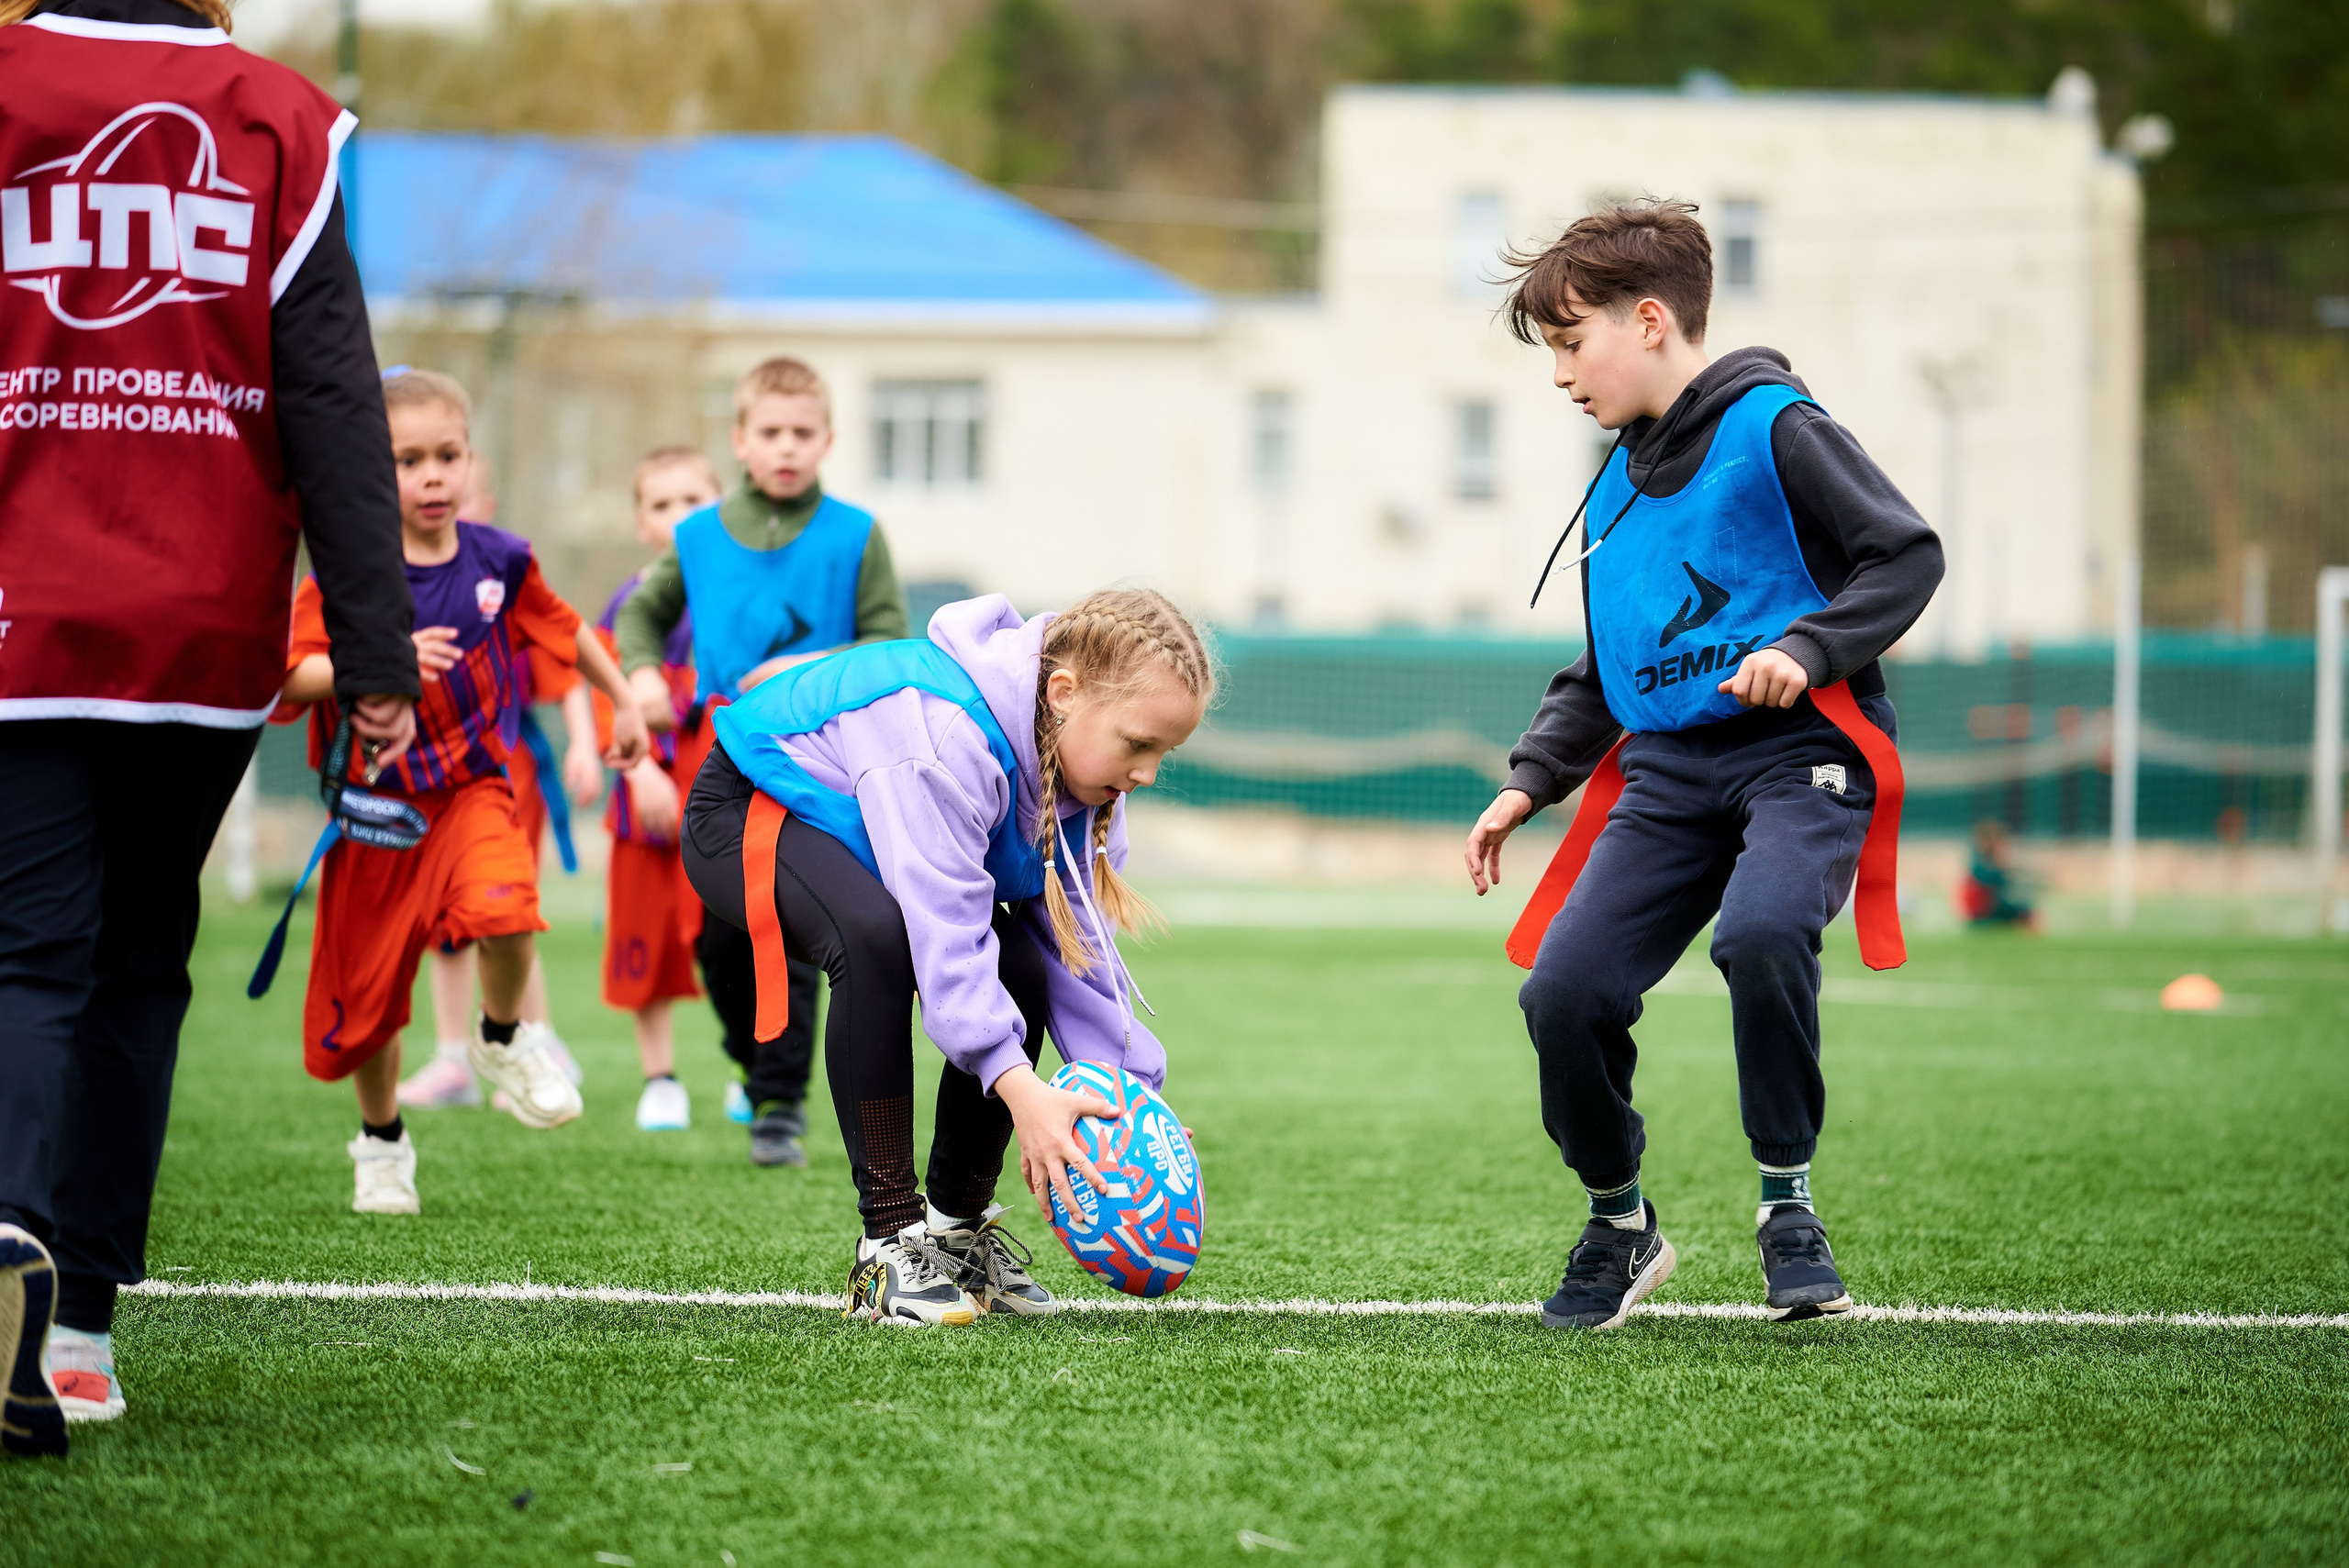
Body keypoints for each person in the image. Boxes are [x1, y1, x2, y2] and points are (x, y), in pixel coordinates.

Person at [0, 0, 417, 1455]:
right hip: (200, 630)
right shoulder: (283, 120)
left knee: (22, 955)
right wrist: (372, 656)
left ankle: (9, 1241)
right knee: (132, 964)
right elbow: (335, 406)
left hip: (20, 620)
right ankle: (80, 1328)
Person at [1462, 201, 1943, 1331]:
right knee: (1562, 994)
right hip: (1670, 776)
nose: (1562, 375)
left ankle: (1788, 1207)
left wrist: (1805, 648)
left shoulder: (1776, 426)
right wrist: (1525, 781)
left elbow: (1905, 553)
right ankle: (1619, 1221)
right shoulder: (1615, 482)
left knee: (1762, 932)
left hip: (1802, 755)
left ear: (1647, 320)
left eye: (1572, 343)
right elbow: (1607, 664)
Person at [680, 589, 1210, 1325]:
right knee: (877, 940)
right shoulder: (946, 739)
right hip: (750, 806)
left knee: (1018, 968)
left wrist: (1129, 1097)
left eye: (1164, 751)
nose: (1148, 771)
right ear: (1063, 694)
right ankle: (886, 1248)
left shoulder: (1088, 786)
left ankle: (956, 1234)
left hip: (854, 835)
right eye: (1137, 744)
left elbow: (1075, 952)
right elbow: (946, 932)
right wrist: (1022, 1091)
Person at [275, 369, 646, 1216]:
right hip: (378, 815)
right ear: (374, 469)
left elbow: (567, 630)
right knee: (369, 1005)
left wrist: (622, 698)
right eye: (409, 460)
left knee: (509, 912)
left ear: (469, 458)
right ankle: (380, 1140)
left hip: (473, 792)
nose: (433, 475)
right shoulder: (345, 570)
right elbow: (288, 677)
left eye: (448, 454)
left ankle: (502, 1036)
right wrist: (381, 664)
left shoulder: (500, 560)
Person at [616, 356, 909, 1166]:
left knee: (798, 922)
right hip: (719, 768)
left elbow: (892, 646)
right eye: (770, 432)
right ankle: (756, 1065)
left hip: (819, 764)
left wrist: (811, 673)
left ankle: (779, 1104)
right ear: (741, 440)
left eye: (803, 433)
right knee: (718, 940)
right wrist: (639, 672)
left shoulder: (857, 534)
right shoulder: (699, 536)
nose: (787, 447)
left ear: (828, 440)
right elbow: (641, 612)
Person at [402, 450, 594, 1109]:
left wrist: (586, 746)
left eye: (465, 485)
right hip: (426, 780)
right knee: (442, 923)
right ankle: (453, 1057)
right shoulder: (402, 587)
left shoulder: (504, 587)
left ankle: (533, 1042)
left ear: (482, 504)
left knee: (503, 909)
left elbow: (566, 664)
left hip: (502, 778)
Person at [593, 446, 723, 1131]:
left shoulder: (737, 597)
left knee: (736, 934)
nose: (679, 517)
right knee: (645, 939)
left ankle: (749, 1070)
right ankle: (660, 1078)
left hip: (724, 802)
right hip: (645, 807)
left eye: (693, 501)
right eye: (661, 505)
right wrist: (638, 769)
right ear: (642, 523)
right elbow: (608, 691)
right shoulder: (631, 603)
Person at [1959, 818, 2038, 929]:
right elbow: (1989, 879)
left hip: (1992, 904)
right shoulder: (1978, 860)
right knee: (2024, 911)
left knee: (2025, 909)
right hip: (1983, 908)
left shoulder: (1985, 858)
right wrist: (2002, 868)